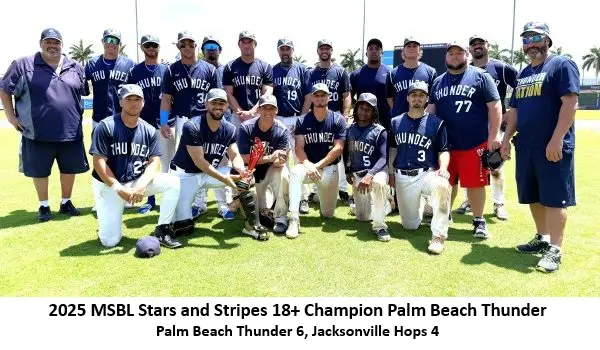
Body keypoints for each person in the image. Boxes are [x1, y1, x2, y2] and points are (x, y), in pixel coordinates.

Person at [501, 22, 579, 273]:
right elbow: (514, 111)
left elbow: (569, 105)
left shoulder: (561, 65)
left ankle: (555, 249)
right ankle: (542, 238)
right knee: (533, 195)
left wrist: (556, 139)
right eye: (526, 39)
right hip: (527, 146)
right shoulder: (523, 73)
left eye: (536, 37)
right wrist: (504, 141)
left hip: (552, 146)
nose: (530, 43)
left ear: (547, 40)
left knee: (555, 199)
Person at [0, 28, 89, 222]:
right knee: (40, 171)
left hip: (70, 130)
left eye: (56, 42)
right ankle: (44, 206)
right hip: (36, 132)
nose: (52, 46)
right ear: (41, 44)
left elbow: (81, 92)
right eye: (48, 42)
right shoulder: (23, 65)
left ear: (61, 45)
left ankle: (66, 202)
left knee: (69, 169)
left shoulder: (75, 66)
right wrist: (10, 116)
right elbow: (4, 90)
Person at [170, 88, 269, 241]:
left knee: (246, 181)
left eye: (222, 103)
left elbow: (235, 155)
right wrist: (225, 179)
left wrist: (242, 171)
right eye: (214, 102)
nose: (218, 106)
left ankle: (251, 227)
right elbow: (199, 162)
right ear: (206, 104)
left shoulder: (229, 128)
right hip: (186, 174)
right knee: (183, 227)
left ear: (227, 106)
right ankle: (180, 216)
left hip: (209, 173)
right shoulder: (192, 126)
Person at [89, 84, 181, 248]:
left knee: (172, 182)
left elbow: (155, 162)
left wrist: (141, 185)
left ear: (143, 103)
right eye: (129, 99)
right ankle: (107, 223)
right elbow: (98, 162)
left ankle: (162, 229)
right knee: (110, 241)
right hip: (109, 184)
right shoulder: (106, 126)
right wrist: (119, 189)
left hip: (135, 180)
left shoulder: (149, 130)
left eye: (137, 99)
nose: (133, 103)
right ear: (121, 102)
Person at [427, 41, 502, 239]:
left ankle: (479, 220)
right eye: (451, 53)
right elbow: (431, 110)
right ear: (446, 57)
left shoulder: (480, 77)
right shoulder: (438, 81)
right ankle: (444, 217)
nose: (454, 56)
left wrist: (494, 136)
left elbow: (495, 106)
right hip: (445, 145)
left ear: (466, 55)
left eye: (459, 53)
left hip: (474, 142)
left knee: (475, 184)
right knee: (445, 183)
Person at [454, 34, 519, 220]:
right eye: (473, 44)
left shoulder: (501, 68)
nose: (477, 46)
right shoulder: (465, 69)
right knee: (470, 166)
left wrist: (511, 109)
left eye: (481, 43)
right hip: (473, 126)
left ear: (487, 46)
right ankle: (468, 201)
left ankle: (499, 204)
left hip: (495, 126)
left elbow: (520, 86)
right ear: (469, 49)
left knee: (496, 167)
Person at [160, 31, 218, 218]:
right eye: (182, 44)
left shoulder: (209, 69)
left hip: (205, 120)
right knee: (187, 164)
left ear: (196, 46)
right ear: (178, 47)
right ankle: (193, 201)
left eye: (190, 44)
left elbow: (217, 98)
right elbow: (167, 98)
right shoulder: (171, 70)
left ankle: (217, 203)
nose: (187, 47)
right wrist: (163, 121)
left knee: (210, 159)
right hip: (183, 121)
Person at [389, 82, 451, 254]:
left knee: (442, 185)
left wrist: (443, 167)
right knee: (410, 226)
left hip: (426, 174)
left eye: (421, 95)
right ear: (408, 98)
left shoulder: (436, 123)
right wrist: (390, 174)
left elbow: (444, 150)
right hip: (403, 177)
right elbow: (393, 150)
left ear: (427, 99)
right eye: (414, 95)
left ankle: (438, 236)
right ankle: (424, 205)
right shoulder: (396, 122)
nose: (417, 98)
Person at [286, 83, 347, 239]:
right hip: (308, 167)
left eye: (323, 95)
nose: (320, 98)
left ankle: (321, 198)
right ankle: (294, 217)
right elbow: (299, 148)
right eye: (317, 95)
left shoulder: (338, 119)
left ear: (329, 97)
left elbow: (338, 148)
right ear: (312, 98)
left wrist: (317, 166)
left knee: (328, 214)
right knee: (294, 172)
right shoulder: (302, 121)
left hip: (328, 170)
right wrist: (308, 165)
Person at [305, 39, 352, 205]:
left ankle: (343, 189)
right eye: (321, 48)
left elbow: (346, 95)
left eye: (327, 48)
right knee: (315, 150)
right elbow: (308, 97)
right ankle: (315, 189)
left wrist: (345, 115)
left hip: (336, 116)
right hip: (316, 116)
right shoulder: (311, 72)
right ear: (317, 51)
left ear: (332, 50)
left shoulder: (340, 71)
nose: (324, 50)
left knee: (338, 152)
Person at [127, 34, 168, 214]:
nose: (151, 48)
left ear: (159, 47)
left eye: (154, 45)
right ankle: (149, 199)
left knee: (168, 162)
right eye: (147, 46)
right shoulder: (135, 71)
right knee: (145, 162)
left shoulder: (167, 70)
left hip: (166, 123)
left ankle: (169, 195)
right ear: (142, 48)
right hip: (143, 123)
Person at [237, 95, 290, 234]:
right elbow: (243, 158)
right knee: (258, 213)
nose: (268, 111)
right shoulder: (246, 128)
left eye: (271, 108)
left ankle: (281, 217)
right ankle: (246, 206)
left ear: (276, 111)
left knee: (283, 174)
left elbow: (279, 162)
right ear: (259, 110)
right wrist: (270, 158)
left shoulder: (282, 130)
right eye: (264, 108)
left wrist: (280, 159)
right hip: (251, 173)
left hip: (270, 171)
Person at [343, 93, 390, 242]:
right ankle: (386, 205)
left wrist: (370, 175)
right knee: (362, 218)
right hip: (358, 175)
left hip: (376, 173)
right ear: (356, 109)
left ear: (373, 112)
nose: (363, 112)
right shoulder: (349, 129)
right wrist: (347, 171)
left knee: (379, 183)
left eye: (368, 109)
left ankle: (380, 226)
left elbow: (384, 158)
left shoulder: (380, 131)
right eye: (361, 108)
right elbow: (345, 153)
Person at [272, 38, 311, 214]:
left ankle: (303, 197)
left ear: (292, 50)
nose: (285, 52)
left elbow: (308, 96)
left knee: (299, 157)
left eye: (288, 49)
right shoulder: (272, 70)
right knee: (282, 159)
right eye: (282, 49)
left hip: (297, 117)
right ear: (278, 51)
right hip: (278, 118)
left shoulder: (302, 69)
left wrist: (302, 118)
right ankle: (285, 195)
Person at [200, 34, 236, 220]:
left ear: (220, 50)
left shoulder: (226, 69)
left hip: (224, 122)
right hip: (201, 124)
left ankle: (223, 203)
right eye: (208, 46)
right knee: (198, 162)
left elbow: (230, 96)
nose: (212, 49)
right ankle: (200, 203)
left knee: (223, 162)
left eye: (215, 46)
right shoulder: (197, 69)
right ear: (203, 50)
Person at [84, 29, 135, 128]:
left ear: (120, 44)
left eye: (115, 40)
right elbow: (82, 87)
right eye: (108, 39)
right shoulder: (92, 63)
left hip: (123, 119)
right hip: (99, 119)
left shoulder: (130, 64)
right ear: (102, 41)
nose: (111, 43)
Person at [223, 31, 274, 129]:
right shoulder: (230, 67)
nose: (246, 45)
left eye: (249, 42)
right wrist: (241, 113)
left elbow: (268, 92)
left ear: (255, 44)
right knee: (237, 144)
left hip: (259, 113)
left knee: (260, 144)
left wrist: (253, 112)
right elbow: (228, 93)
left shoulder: (265, 66)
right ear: (239, 44)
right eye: (243, 42)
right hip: (237, 116)